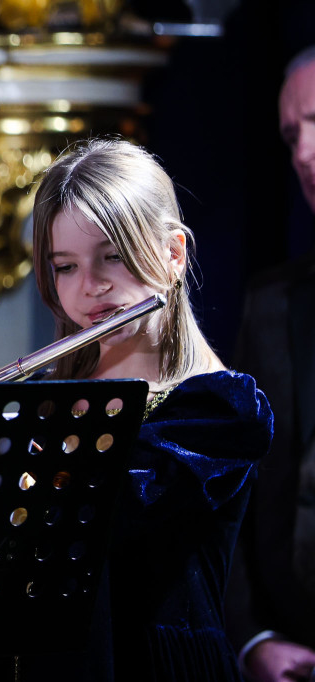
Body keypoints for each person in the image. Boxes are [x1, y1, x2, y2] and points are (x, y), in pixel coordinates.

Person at [22, 138, 272, 681]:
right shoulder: (45, 399)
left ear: (173, 254)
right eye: (65, 266)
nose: (90, 287)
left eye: (112, 256)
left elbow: (113, 509)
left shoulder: (222, 410)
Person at [227, 45, 315, 682]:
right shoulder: (270, 302)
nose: (303, 153)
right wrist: (252, 637)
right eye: (292, 135)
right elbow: (233, 492)